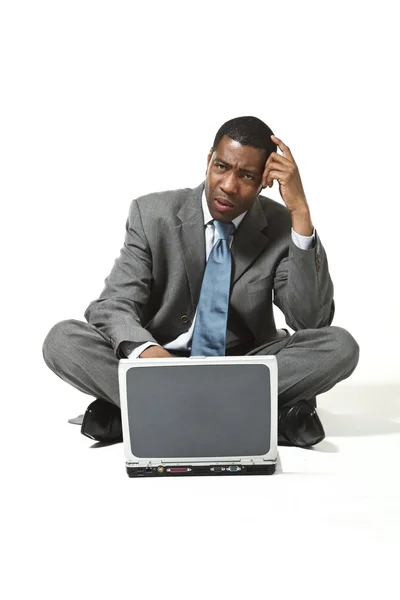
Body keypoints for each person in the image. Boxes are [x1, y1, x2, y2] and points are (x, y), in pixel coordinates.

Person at [42, 116, 359, 447]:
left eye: (247, 176)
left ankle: (143, 412)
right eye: (221, 167)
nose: (228, 185)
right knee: (63, 339)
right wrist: (151, 356)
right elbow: (114, 305)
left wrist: (301, 214)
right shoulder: (152, 214)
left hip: (242, 368)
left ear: (266, 180)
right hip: (159, 365)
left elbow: (311, 321)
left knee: (340, 346)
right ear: (209, 160)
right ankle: (264, 418)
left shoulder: (280, 226)